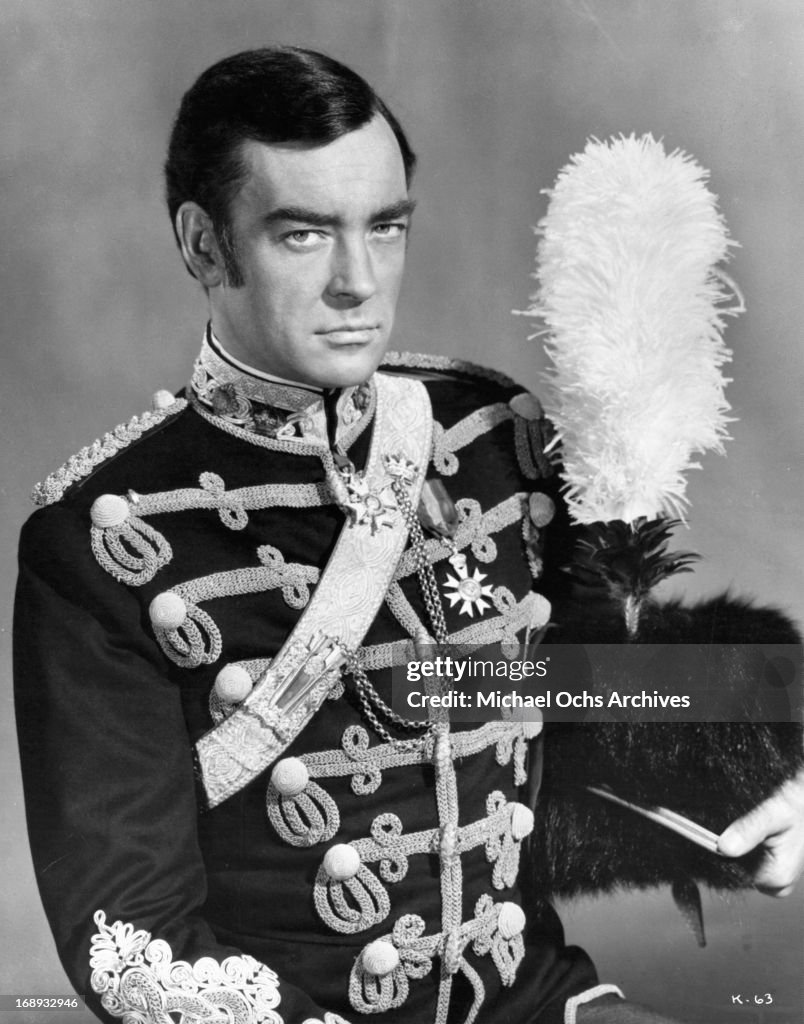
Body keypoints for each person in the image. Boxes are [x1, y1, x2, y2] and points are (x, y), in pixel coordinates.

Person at [13, 46, 804, 1024]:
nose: (358, 282)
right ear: (205, 246)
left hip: (537, 1004)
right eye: (304, 234)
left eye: (384, 226)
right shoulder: (103, 539)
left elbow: (574, 697)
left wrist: (757, 775)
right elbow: (134, 942)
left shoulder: (490, 440)